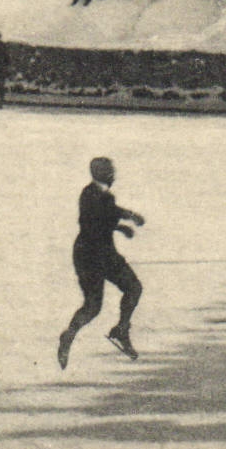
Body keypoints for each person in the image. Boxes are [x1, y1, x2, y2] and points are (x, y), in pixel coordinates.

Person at [57, 157, 146, 367]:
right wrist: (129, 216)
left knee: (125, 292)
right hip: (94, 256)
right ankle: (72, 335)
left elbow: (100, 219)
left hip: (94, 254)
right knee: (99, 303)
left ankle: (119, 329)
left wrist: (119, 226)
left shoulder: (98, 195)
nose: (114, 175)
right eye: (110, 171)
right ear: (102, 173)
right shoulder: (93, 195)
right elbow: (103, 215)